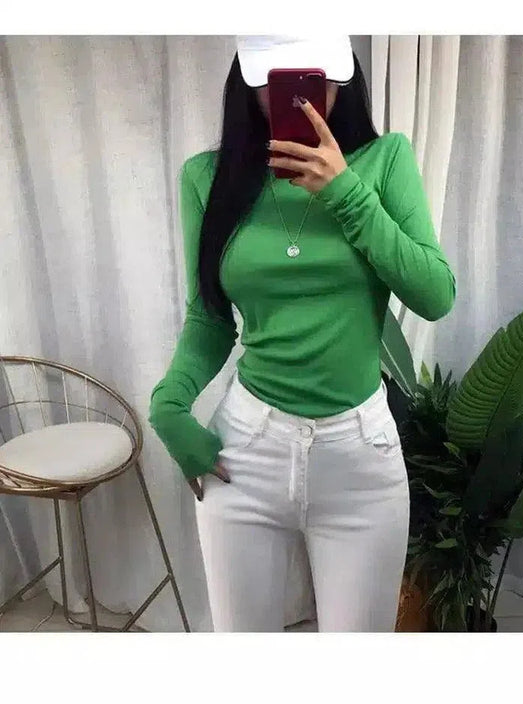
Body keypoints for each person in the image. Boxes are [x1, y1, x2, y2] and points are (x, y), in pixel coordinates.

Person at [148, 35, 456, 632]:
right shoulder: (206, 178)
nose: (296, 98)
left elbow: (435, 295)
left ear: (344, 77)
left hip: (360, 458)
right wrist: (169, 403)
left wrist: (346, 192)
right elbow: (209, 318)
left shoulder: (385, 160)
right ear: (246, 80)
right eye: (275, 81)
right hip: (245, 451)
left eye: (314, 79)